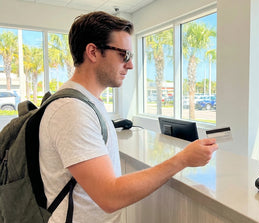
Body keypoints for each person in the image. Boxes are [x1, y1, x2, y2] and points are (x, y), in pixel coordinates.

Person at [39, 11, 218, 223]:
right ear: (93, 52)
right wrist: (183, 159)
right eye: (124, 54)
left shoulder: (86, 102)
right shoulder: (71, 110)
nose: (130, 65)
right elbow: (109, 196)